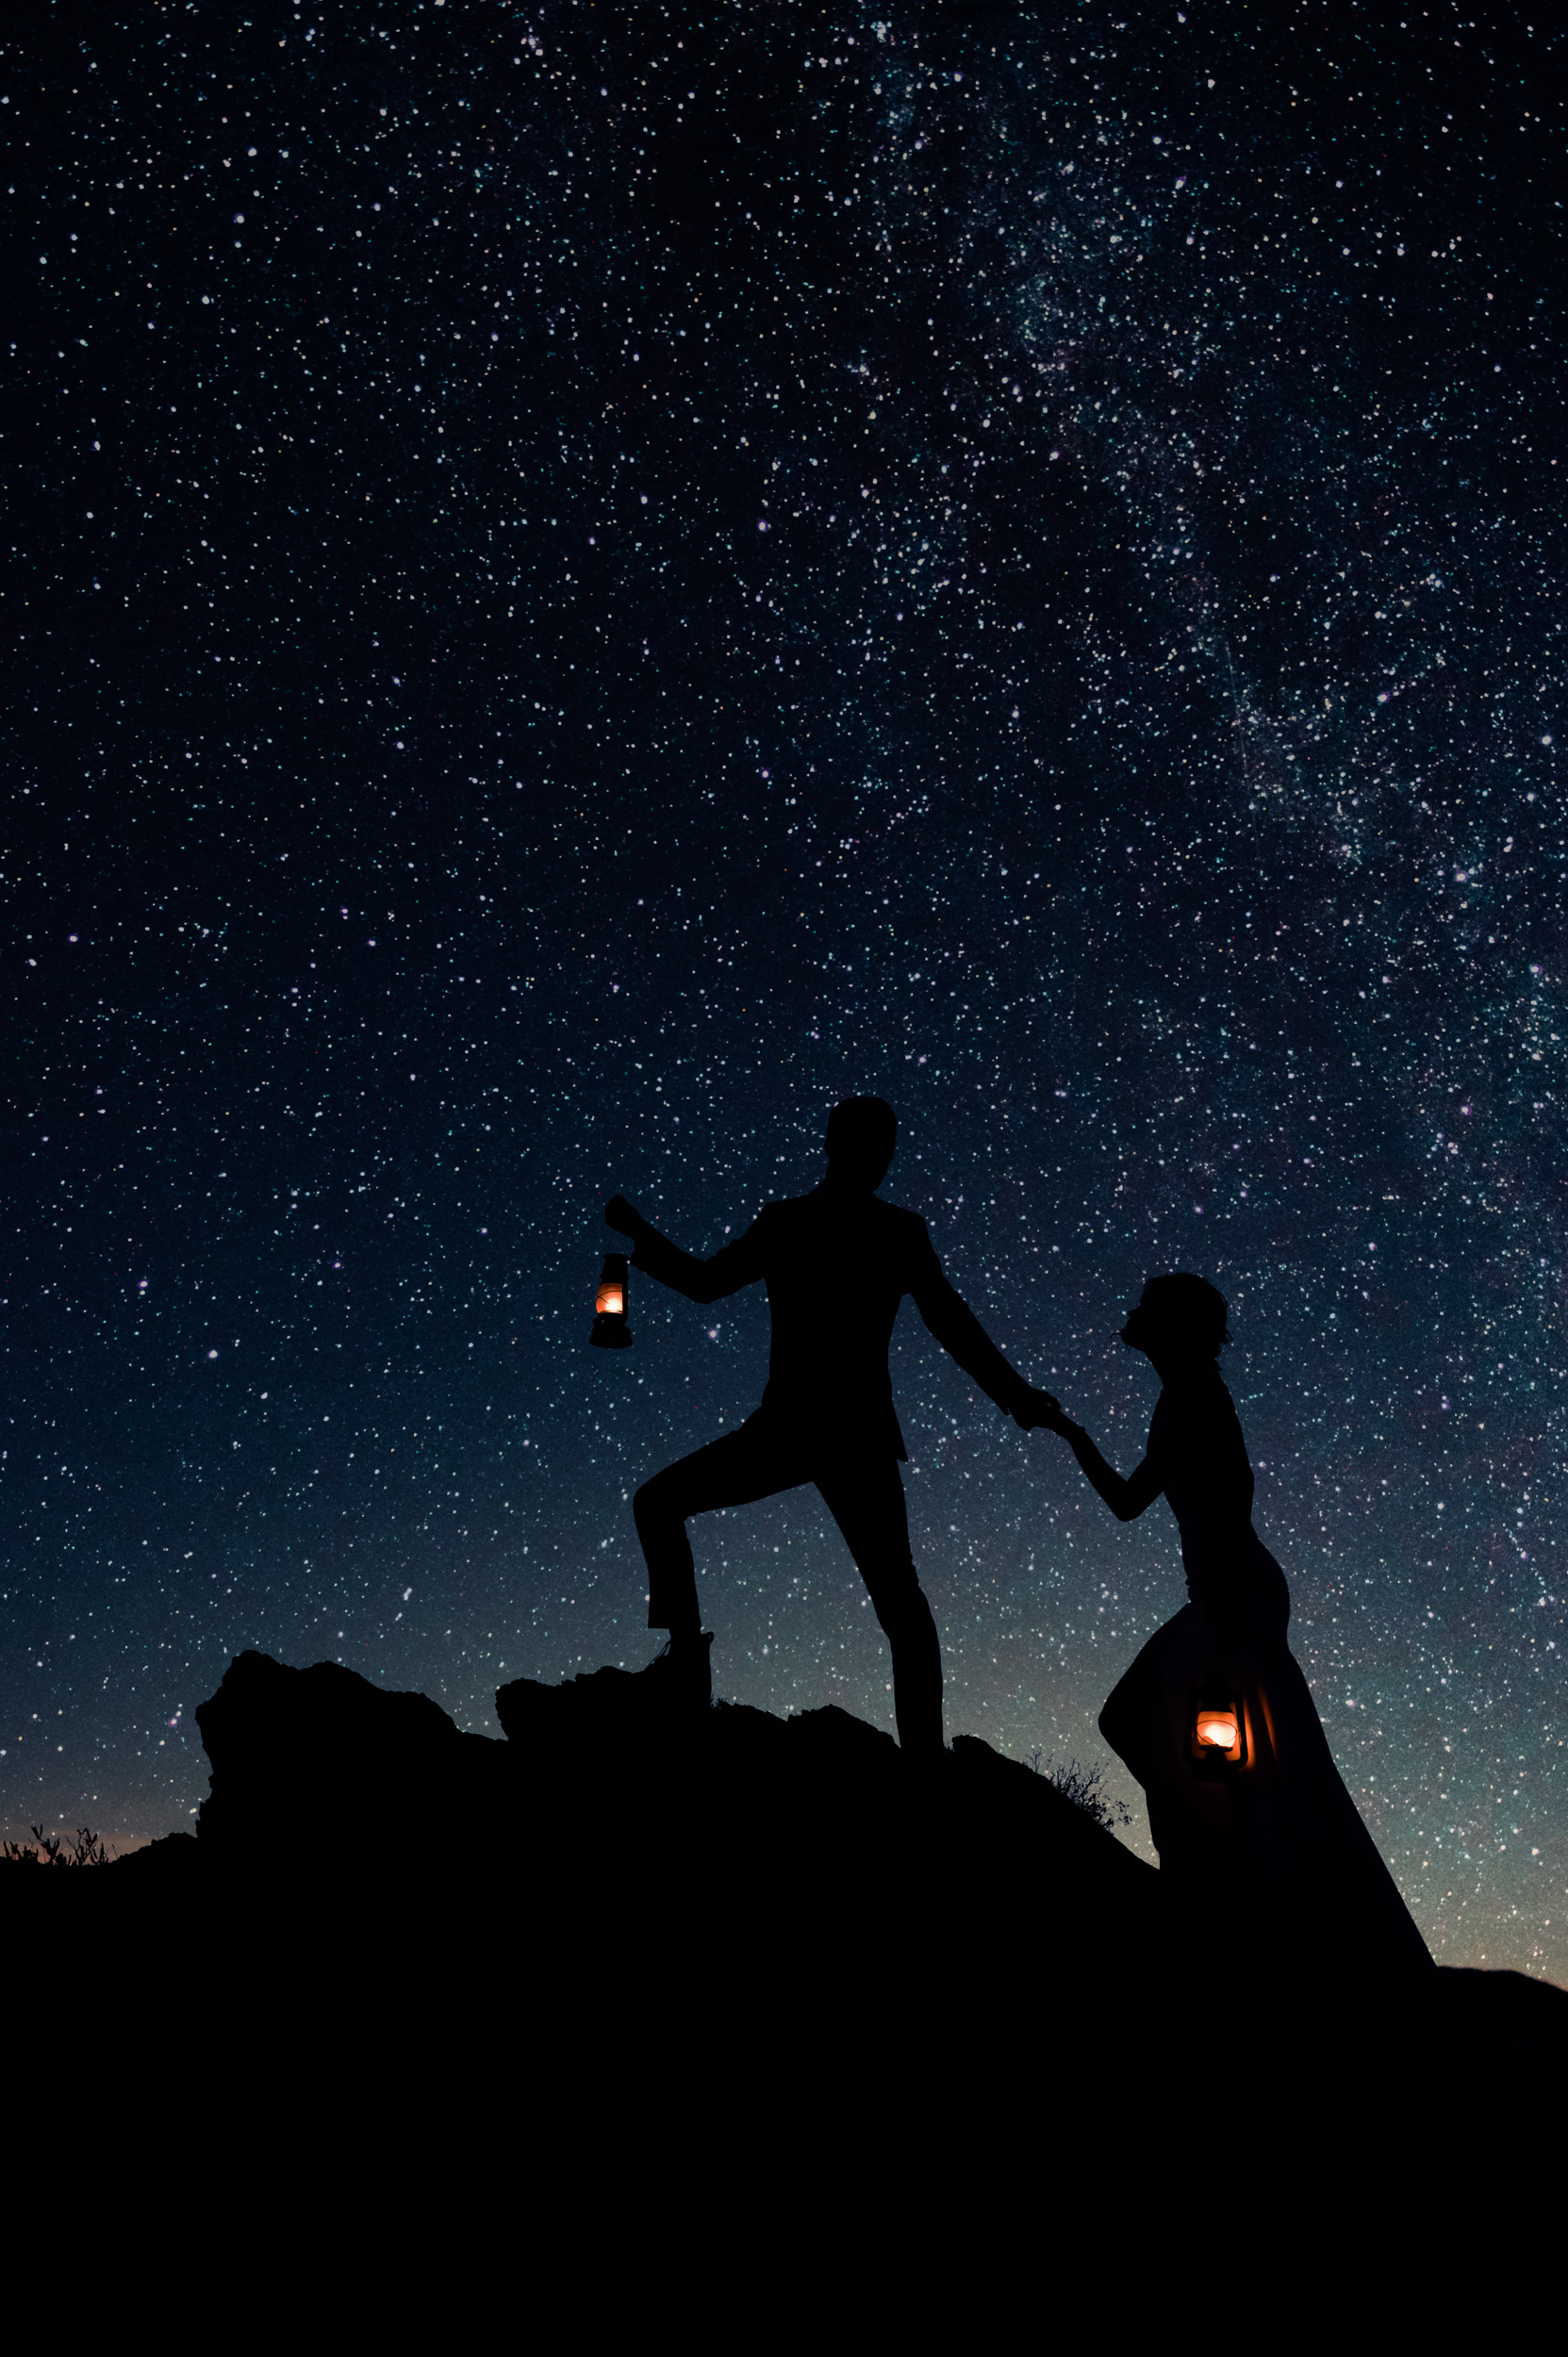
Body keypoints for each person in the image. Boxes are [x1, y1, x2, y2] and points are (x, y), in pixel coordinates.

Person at [604, 1096, 1049, 1756]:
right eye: (874, 1143)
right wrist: (641, 1240)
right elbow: (705, 1283)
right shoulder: (782, 1222)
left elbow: (948, 1319)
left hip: (853, 1435)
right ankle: (687, 1661)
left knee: (898, 1599)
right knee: (657, 1502)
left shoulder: (900, 1230)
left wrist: (1014, 1395)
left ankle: (922, 1756)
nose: (884, 1157)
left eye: (889, 1145)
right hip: (786, 1426)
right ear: (836, 1144)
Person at [1031, 1274, 1433, 1986]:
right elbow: (1128, 1502)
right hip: (1222, 1591)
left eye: (1145, 1304)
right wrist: (1072, 1435)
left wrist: (1214, 1599)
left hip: (1231, 1592)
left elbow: (1238, 1482)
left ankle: (1230, 1892)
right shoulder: (1176, 1395)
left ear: (1169, 1323)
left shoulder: (1197, 1392)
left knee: (1203, 1745)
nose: (1129, 1310)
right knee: (1166, 1734)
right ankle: (1226, 1874)